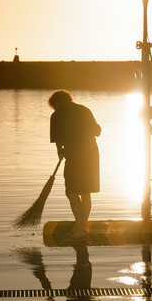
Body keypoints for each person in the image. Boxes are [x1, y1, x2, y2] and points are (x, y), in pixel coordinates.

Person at [48, 90, 101, 239]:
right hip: (92, 155)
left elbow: (59, 142)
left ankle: (80, 228)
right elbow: (97, 131)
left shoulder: (56, 115)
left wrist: (60, 150)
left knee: (71, 192)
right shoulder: (84, 110)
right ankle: (81, 228)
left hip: (74, 156)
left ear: (57, 103)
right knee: (85, 192)